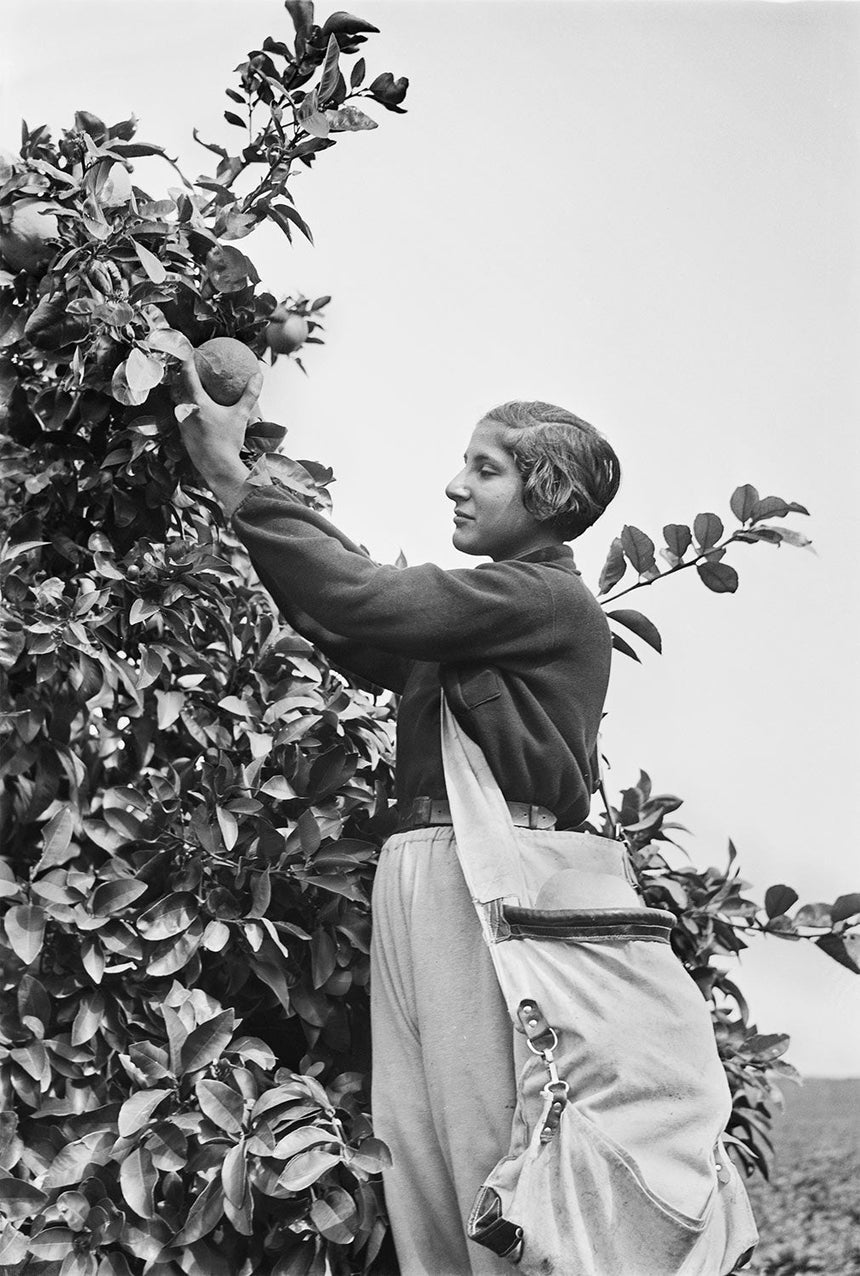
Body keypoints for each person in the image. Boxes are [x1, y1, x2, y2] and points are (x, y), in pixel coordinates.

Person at [174, 364, 623, 1275]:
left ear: (550, 494)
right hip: (429, 866)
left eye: (486, 468)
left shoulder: (542, 599)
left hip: (491, 869)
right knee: (416, 1135)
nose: (457, 483)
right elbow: (350, 620)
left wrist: (238, 481)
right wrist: (243, 481)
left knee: (478, 1131)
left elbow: (362, 597)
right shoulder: (482, 618)